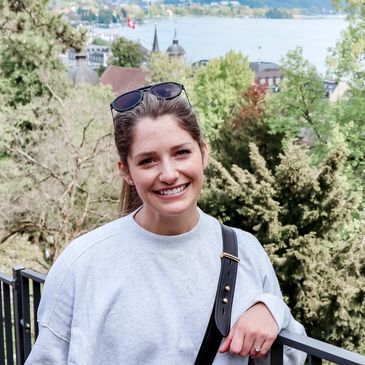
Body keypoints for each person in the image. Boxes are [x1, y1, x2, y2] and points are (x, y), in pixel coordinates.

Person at [25, 82, 306, 365]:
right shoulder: (82, 262)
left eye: (181, 153)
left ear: (203, 153)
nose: (169, 174)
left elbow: (293, 355)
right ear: (126, 171)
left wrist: (272, 310)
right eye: (148, 161)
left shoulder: (245, 250)